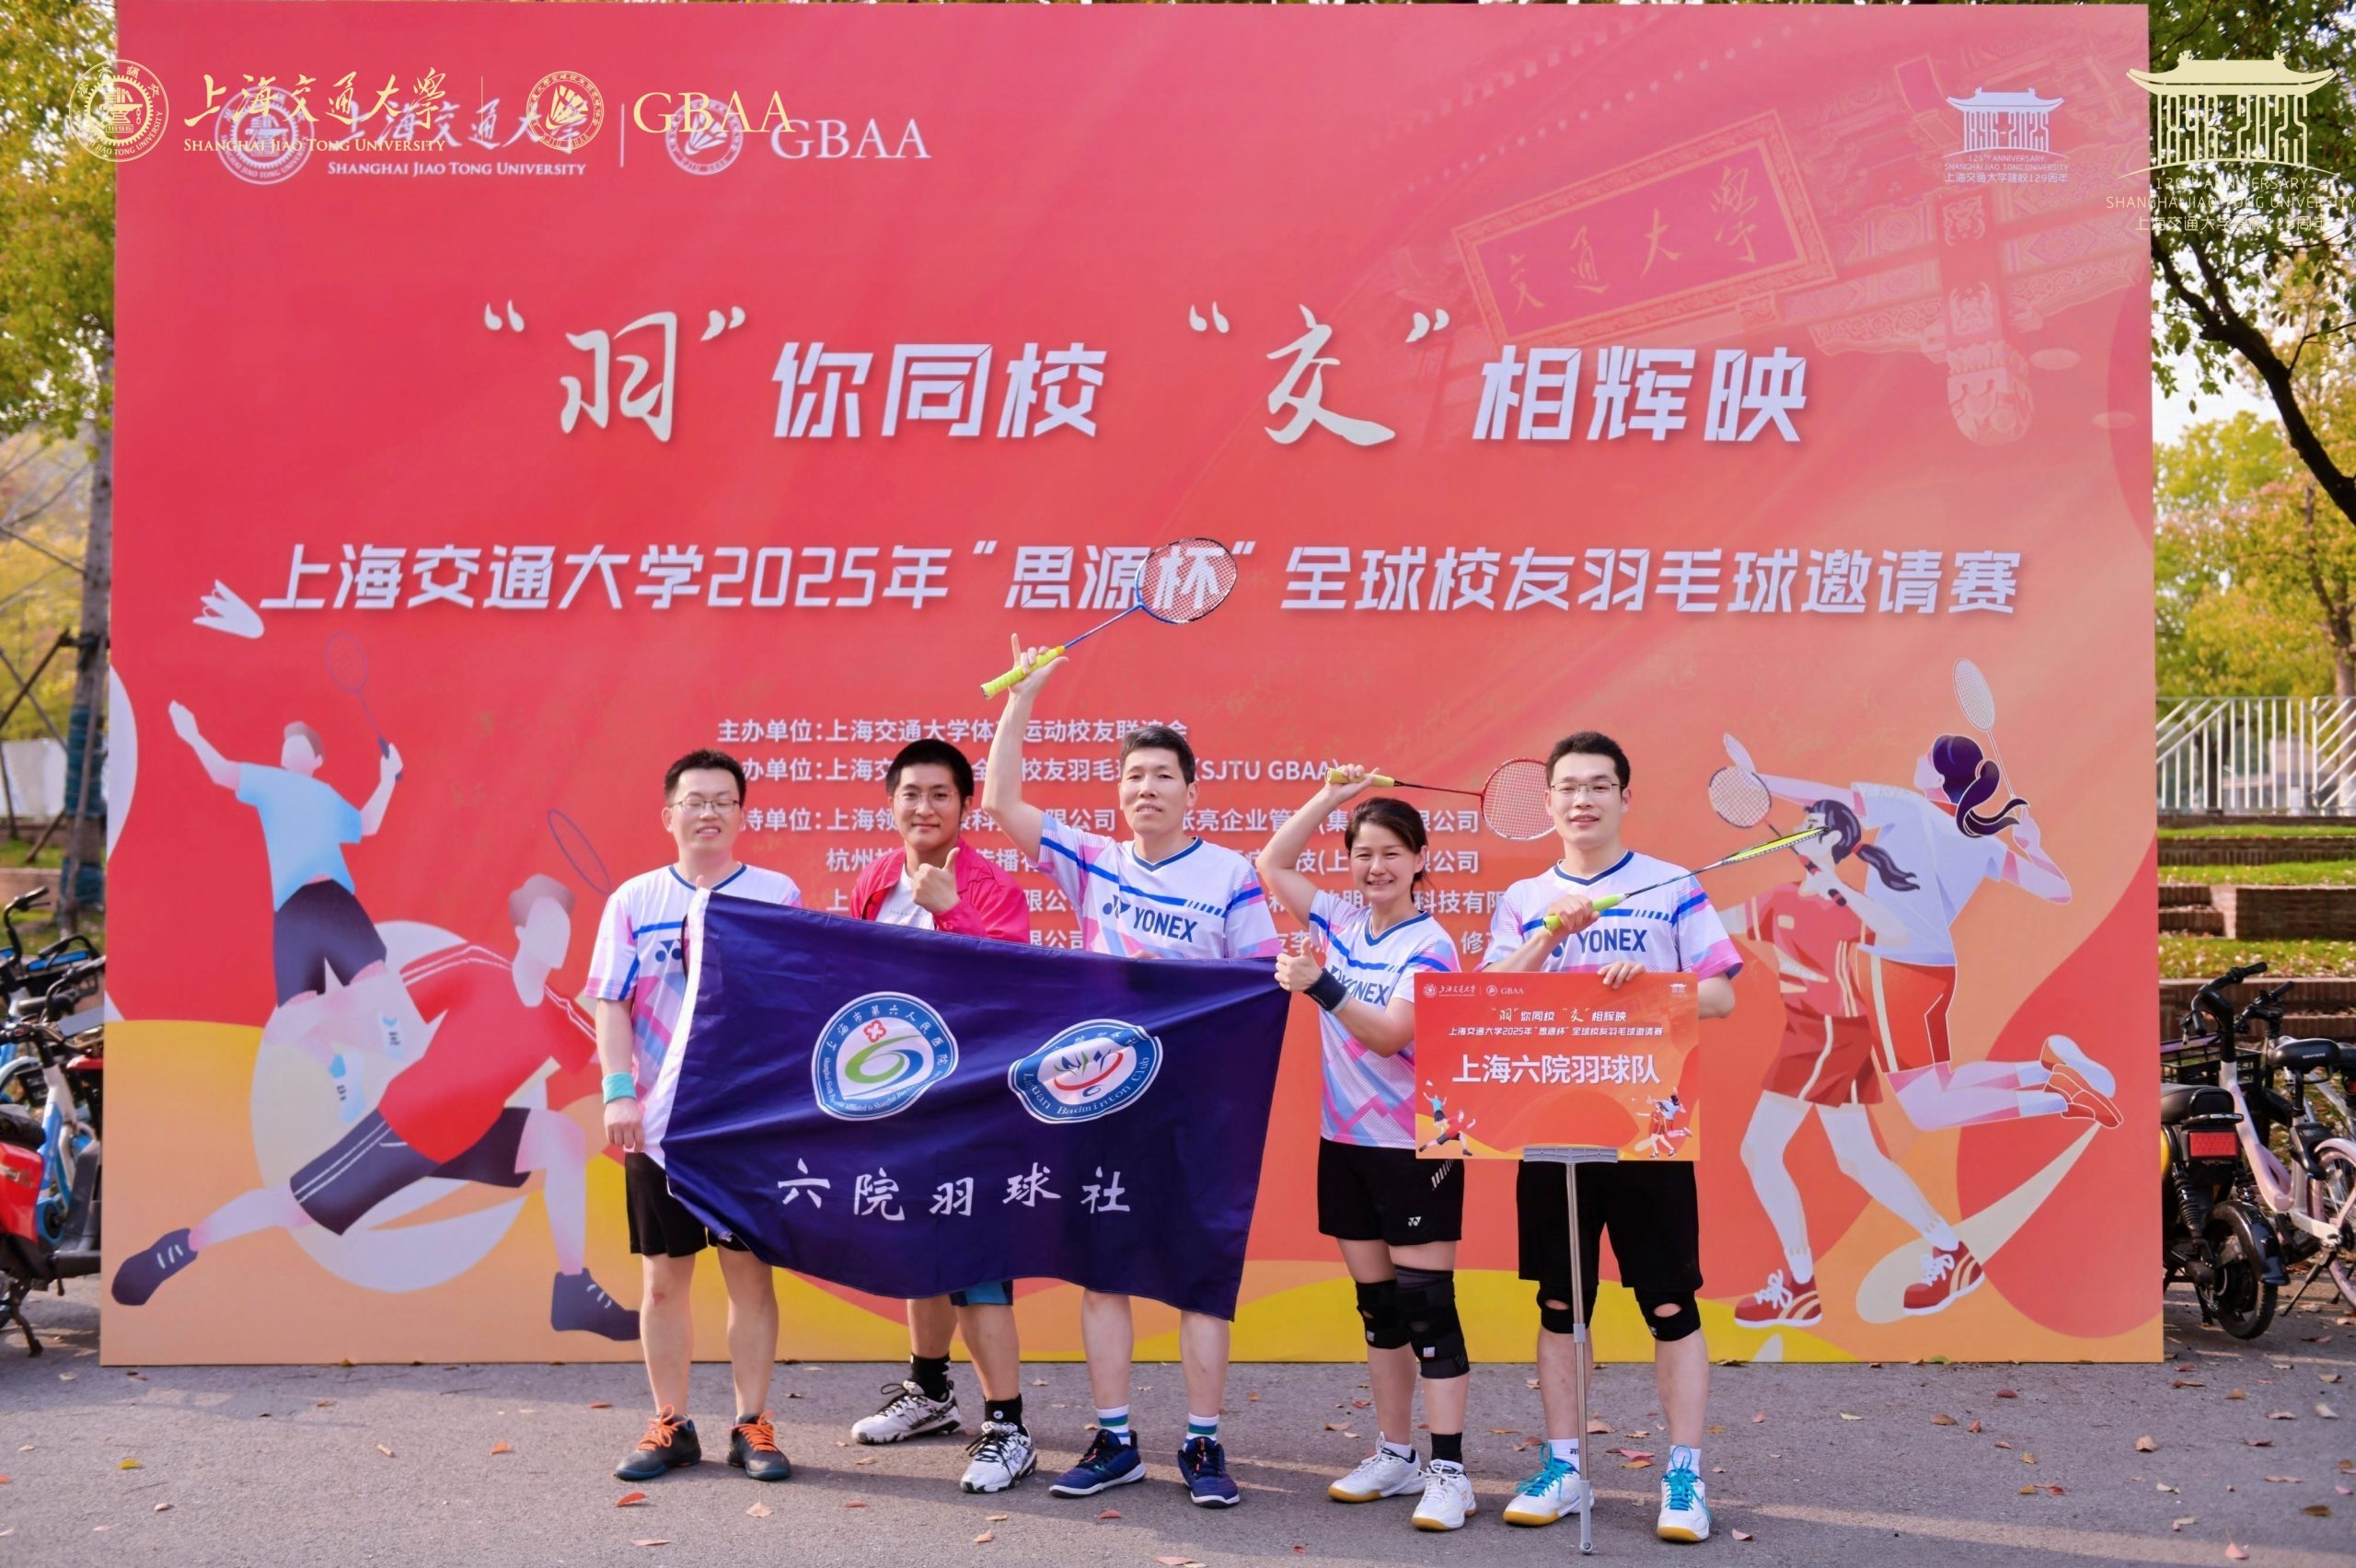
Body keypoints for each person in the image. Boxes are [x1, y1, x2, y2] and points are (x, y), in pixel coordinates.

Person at [981, 636, 1279, 1508]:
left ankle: (1203, 1443)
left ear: (1192, 791)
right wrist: (1023, 698)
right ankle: (1114, 1440)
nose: (1146, 788)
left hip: (1195, 1109)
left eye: (1163, 775)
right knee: (1104, 1271)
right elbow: (1000, 801)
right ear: (1118, 792)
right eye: (1134, 776)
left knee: (1198, 1275)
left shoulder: (1230, 875)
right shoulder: (1093, 862)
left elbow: (1260, 985)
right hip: (1104, 1100)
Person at [110, 874, 638, 1341]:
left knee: (563, 1140)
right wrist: (315, 1014)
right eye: (546, 923)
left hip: (474, 1134)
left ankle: (572, 1291)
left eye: (564, 926)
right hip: (408, 1127)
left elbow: (613, 1052)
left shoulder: (559, 1013)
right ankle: (184, 1244)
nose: (557, 935)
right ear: (520, 930)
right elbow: (390, 1001)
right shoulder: (478, 966)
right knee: (290, 1208)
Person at [1483, 732, 1740, 1544]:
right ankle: (1564, 1467)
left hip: (1649, 1131)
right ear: (1548, 802)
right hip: (1551, 1129)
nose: (1582, 799)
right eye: (1568, 787)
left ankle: (1684, 1477)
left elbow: (1722, 996)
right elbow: (1487, 998)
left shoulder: (1672, 886)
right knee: (1562, 1304)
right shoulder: (1524, 897)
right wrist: (1550, 936)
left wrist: (1657, 988)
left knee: (1669, 1303)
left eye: (1599, 785)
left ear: (1626, 797)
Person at [1256, 769, 1474, 1531]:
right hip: (1344, 1141)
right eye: (1362, 853)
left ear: (1420, 860)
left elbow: (1389, 1036)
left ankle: (1450, 1471)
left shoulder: (1432, 944)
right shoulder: (1343, 919)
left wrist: (1320, 985)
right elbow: (1273, 863)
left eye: (1391, 853)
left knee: (1427, 1310)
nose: (1375, 867)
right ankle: (1396, 1454)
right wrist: (1330, 797)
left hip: (1416, 1146)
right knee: (1380, 1312)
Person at [594, 749, 802, 1486]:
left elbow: (792, 1004)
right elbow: (611, 1001)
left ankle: (752, 1424)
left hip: (742, 1125)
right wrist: (618, 1090)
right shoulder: (634, 899)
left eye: (722, 801)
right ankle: (671, 1424)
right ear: (669, 815)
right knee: (661, 1282)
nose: (708, 812)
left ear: (742, 815)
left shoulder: (775, 895)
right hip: (658, 1125)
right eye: (694, 801)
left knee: (750, 1278)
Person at [844, 738, 1038, 1494]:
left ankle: (1008, 1427)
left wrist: (951, 911)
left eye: (940, 795)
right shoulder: (873, 880)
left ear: (963, 806)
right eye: (911, 793)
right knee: (917, 1248)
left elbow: (1010, 990)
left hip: (974, 1102)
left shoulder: (992, 887)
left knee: (976, 1264)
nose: (924, 807)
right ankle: (929, 1393)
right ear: (891, 802)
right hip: (899, 1100)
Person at [167, 701, 421, 1086]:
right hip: (291, 909)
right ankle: (340, 1071)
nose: (291, 746)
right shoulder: (269, 782)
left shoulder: (325, 795)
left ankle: (387, 1019)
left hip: (332, 898)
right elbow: (221, 771)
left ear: (318, 760)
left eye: (302, 743)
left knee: (375, 979)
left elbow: (367, 824)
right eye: (288, 743)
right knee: (289, 1021)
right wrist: (193, 736)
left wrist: (386, 779)